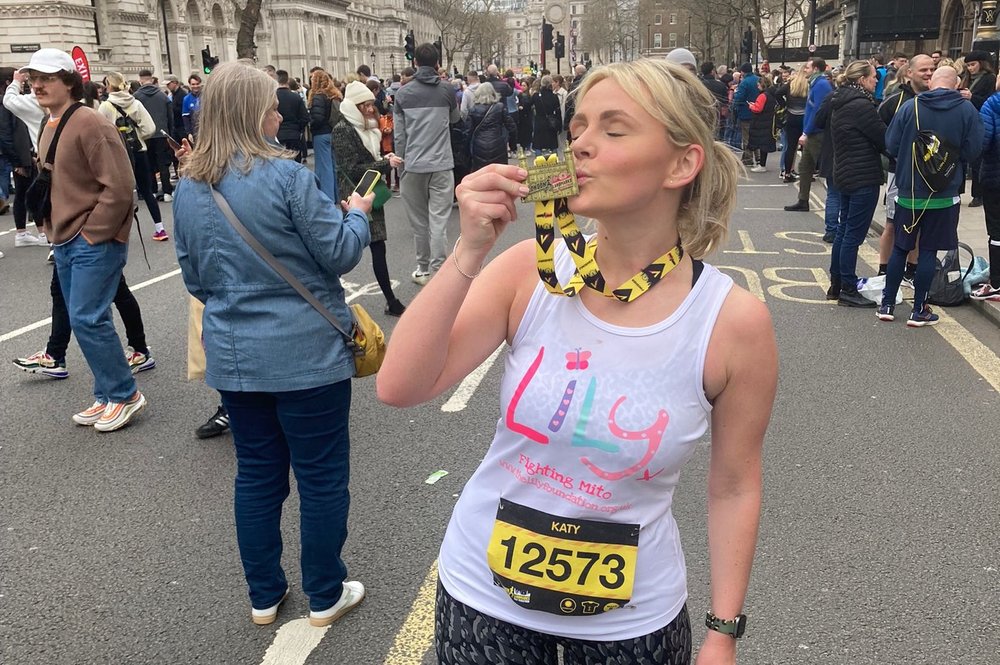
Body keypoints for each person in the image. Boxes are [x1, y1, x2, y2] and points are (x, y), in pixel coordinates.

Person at [377, 58, 777, 665]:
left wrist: (723, 632)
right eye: (579, 128)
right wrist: (469, 249)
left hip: (632, 622)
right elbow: (400, 386)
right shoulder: (527, 274)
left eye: (613, 130)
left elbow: (734, 484)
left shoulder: (733, 322)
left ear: (681, 163)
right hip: (484, 598)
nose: (581, 145)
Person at [172, 60, 374, 627]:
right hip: (307, 353)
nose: (277, 112)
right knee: (321, 475)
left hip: (236, 357)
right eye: (268, 104)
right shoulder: (287, 177)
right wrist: (357, 216)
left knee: (258, 475)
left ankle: (264, 595)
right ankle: (325, 592)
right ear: (250, 113)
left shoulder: (189, 186)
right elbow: (337, 253)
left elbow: (194, 279)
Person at [23, 48, 146, 431]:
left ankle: (125, 394)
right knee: (88, 318)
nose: (37, 85)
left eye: (47, 79)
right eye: (34, 78)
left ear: (70, 82)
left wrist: (95, 232)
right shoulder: (50, 122)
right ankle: (107, 392)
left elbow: (121, 187)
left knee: (87, 317)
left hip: (91, 238)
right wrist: (50, 225)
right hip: (65, 237)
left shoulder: (91, 122)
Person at [880, 66, 985, 325]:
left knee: (901, 249)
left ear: (931, 84)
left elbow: (891, 145)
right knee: (928, 251)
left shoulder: (910, 107)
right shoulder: (966, 110)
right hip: (945, 194)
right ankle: (919, 310)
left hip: (909, 192)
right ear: (956, 84)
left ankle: (887, 305)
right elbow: (974, 151)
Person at [331, 80, 407, 316]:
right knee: (348, 245)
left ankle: (391, 300)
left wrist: (385, 158)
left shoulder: (365, 126)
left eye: (371, 105)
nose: (371, 109)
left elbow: (367, 160)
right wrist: (385, 163)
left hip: (370, 189)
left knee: (377, 246)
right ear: (354, 106)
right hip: (354, 193)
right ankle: (331, 297)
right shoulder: (342, 130)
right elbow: (351, 167)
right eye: (366, 105)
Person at [393, 42, 460, 285]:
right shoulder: (447, 91)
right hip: (442, 163)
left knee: (419, 223)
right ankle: (439, 269)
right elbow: (456, 118)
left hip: (413, 164)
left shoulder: (402, 94)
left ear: (415, 63)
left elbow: (400, 136)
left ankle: (422, 269)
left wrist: (400, 167)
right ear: (437, 63)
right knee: (439, 221)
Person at [824, 61, 885, 307]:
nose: (876, 81)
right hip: (863, 176)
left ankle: (837, 283)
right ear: (861, 79)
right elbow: (884, 139)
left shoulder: (840, 101)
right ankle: (848, 288)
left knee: (843, 230)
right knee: (853, 235)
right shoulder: (862, 106)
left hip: (845, 174)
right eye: (873, 77)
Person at [876, 54, 934, 276]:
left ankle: (912, 270)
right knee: (892, 222)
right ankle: (884, 270)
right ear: (909, 73)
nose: (928, 73)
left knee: (919, 224)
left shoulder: (937, 99)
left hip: (928, 174)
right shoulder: (895, 101)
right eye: (923, 70)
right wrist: (894, 157)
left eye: (932, 69)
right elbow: (881, 132)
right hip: (899, 173)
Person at [98, 72, 170, 241]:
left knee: (121, 192)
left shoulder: (105, 107)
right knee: (146, 190)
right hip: (139, 150)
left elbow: (100, 131)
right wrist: (140, 137)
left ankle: (118, 231)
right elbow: (150, 127)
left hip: (119, 154)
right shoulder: (135, 102)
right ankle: (160, 228)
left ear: (109, 86)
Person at [0, 67, 48, 247]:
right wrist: (18, 160)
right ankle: (36, 232)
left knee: (32, 194)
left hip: (29, 155)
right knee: (28, 195)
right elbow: (6, 133)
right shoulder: (10, 105)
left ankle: (41, 232)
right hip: (23, 156)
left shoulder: (23, 101)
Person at [784, 57, 832, 211]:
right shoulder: (815, 83)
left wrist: (806, 132)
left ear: (816, 69)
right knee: (805, 167)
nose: (805, 69)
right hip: (811, 132)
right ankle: (803, 200)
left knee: (826, 169)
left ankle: (834, 203)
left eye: (808, 67)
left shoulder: (822, 85)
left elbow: (818, 111)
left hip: (817, 134)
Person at [975, 74, 1000, 300]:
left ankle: (997, 283)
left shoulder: (993, 103)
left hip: (995, 176)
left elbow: (984, 141)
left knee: (997, 230)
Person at [961, 51, 996, 207]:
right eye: (968, 65)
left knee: (977, 161)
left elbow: (990, 101)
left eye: (973, 64)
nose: (970, 68)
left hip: (981, 121)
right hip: (966, 121)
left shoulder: (989, 79)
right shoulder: (967, 79)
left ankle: (978, 194)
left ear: (981, 63)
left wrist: (972, 97)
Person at [134, 68, 174, 203]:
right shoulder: (163, 96)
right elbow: (170, 117)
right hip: (162, 133)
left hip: (145, 134)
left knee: (149, 164)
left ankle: (153, 190)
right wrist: (170, 134)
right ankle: (167, 190)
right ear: (151, 79)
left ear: (140, 80)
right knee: (163, 164)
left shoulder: (136, 97)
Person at [307, 68, 342, 201]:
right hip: (332, 132)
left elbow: (318, 118)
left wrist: (311, 124)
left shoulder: (318, 97)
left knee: (323, 166)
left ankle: (327, 197)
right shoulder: (334, 95)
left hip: (321, 134)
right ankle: (336, 194)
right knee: (333, 165)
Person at [468, 82, 517, 171]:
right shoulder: (499, 107)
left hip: (479, 146)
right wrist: (512, 146)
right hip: (498, 144)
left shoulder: (473, 110)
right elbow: (512, 127)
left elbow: (468, 132)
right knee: (500, 172)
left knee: (482, 174)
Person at [774, 67, 807, 182]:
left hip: (791, 117)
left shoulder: (790, 85)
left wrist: (785, 104)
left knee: (791, 147)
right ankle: (806, 173)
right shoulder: (808, 86)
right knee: (805, 148)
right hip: (804, 118)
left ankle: (787, 173)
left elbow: (777, 93)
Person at [747, 73, 778, 173]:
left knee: (760, 144)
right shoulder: (772, 94)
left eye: (758, 84)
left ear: (762, 85)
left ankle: (761, 164)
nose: (757, 86)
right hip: (769, 120)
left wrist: (752, 106)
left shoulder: (763, 96)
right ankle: (762, 164)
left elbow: (758, 109)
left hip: (761, 122)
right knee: (765, 144)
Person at [732, 63, 759, 165]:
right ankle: (758, 157)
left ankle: (748, 158)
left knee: (746, 137)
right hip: (758, 111)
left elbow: (739, 98)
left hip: (745, 112)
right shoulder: (758, 79)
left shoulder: (744, 83)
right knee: (756, 136)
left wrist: (735, 93)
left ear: (742, 72)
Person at [530, 75, 561, 152]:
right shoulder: (554, 97)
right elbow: (558, 112)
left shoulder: (536, 96)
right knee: (553, 143)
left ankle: (539, 161)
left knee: (538, 144)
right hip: (551, 121)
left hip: (539, 122)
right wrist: (559, 125)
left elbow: (528, 106)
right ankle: (555, 161)